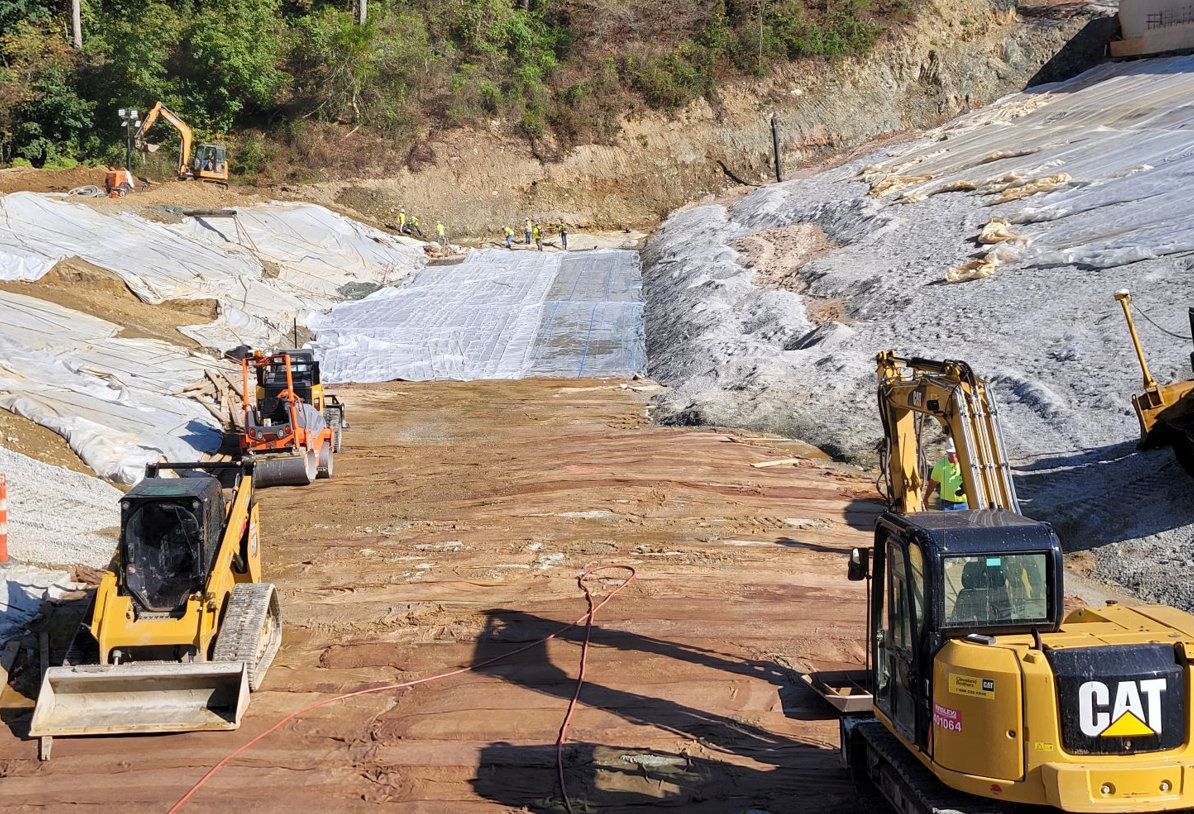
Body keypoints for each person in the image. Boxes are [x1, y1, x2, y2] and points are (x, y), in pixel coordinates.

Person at [924, 438, 968, 510]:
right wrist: (926, 498)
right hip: (946, 505)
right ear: (947, 452)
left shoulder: (966, 464)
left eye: (954, 453)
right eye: (950, 453)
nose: (953, 455)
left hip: (964, 505)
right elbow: (933, 482)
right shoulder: (940, 465)